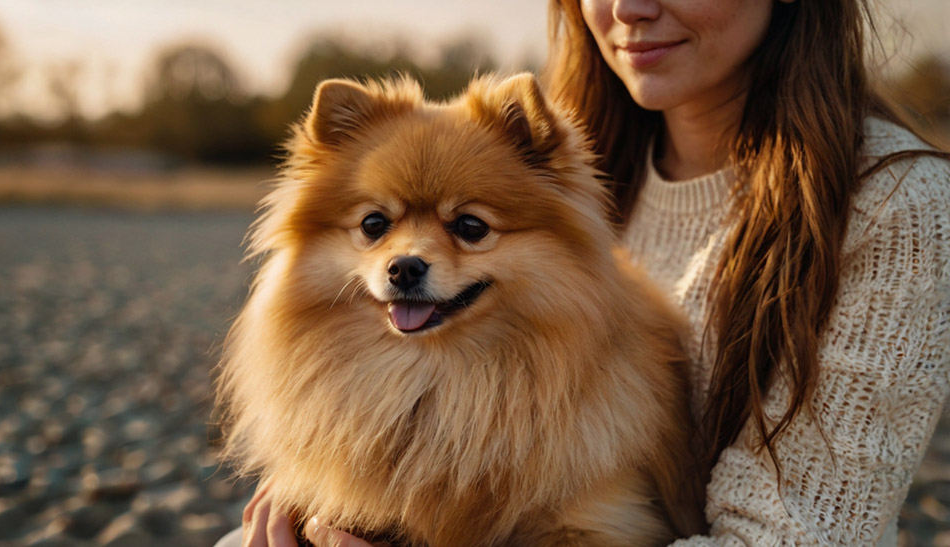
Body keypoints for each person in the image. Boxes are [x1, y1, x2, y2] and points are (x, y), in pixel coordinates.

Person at [229, 0, 950, 544]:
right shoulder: (574, 151)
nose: (630, 7)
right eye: (376, 226)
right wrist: (323, 482)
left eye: (470, 228)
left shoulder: (894, 205)